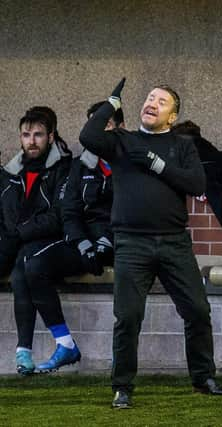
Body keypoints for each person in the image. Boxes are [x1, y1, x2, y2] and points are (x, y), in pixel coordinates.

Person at [80, 79, 222, 409]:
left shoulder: (183, 145)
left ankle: (203, 377)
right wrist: (111, 102)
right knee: (128, 317)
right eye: (149, 98)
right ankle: (122, 386)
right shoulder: (121, 140)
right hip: (132, 243)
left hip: (174, 242)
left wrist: (155, 162)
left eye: (161, 101)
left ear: (172, 117)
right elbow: (87, 137)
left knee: (197, 310)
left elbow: (195, 183)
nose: (152, 103)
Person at [25, 102, 124, 373]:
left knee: (132, 276)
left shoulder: (130, 163)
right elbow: (69, 211)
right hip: (85, 243)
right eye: (92, 125)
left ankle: (123, 352)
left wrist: (107, 242)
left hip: (122, 243)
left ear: (120, 128)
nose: (97, 131)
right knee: (34, 265)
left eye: (104, 124)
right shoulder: (80, 166)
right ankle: (65, 344)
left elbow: (135, 211)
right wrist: (81, 242)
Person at [0, 109, 72, 375]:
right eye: (26, 135)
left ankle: (23, 352)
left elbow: (58, 217)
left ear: (51, 137)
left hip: (46, 243)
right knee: (18, 266)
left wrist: (19, 233)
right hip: (14, 242)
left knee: (22, 272)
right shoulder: (9, 173)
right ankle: (25, 353)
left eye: (38, 135)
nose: (31, 141)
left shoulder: (64, 169)